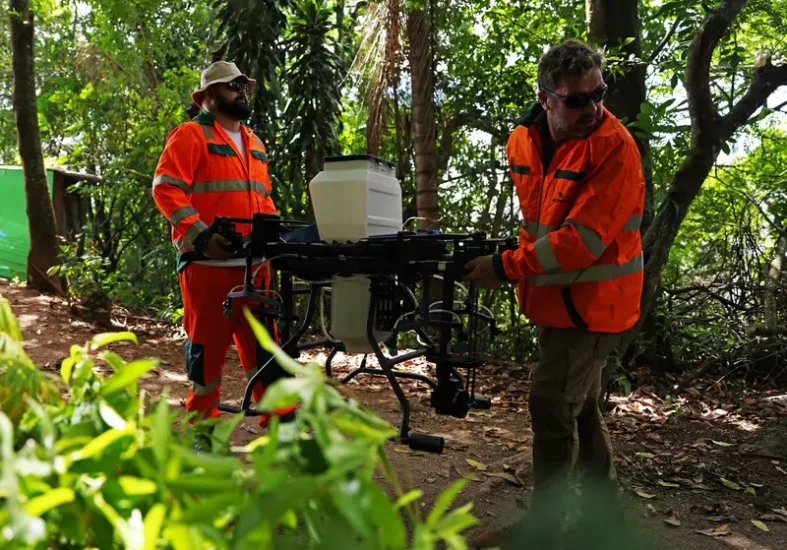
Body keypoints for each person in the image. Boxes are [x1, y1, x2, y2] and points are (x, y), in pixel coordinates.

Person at [464, 39, 645, 548]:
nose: (593, 108)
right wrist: (506, 256)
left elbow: (581, 242)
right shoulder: (522, 140)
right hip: (554, 302)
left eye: (598, 94)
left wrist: (504, 267)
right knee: (579, 407)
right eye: (576, 99)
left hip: (596, 307)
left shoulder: (615, 147)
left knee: (550, 404)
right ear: (547, 99)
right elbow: (541, 224)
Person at [152, 61, 296, 447]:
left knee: (266, 346)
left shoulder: (254, 142)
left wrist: (273, 238)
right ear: (210, 95)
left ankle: (282, 423)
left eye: (243, 85)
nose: (242, 91)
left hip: (254, 265)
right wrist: (201, 236)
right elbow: (166, 190)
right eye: (233, 86)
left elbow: (262, 199)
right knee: (206, 349)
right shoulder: (190, 136)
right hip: (207, 267)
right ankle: (204, 430)